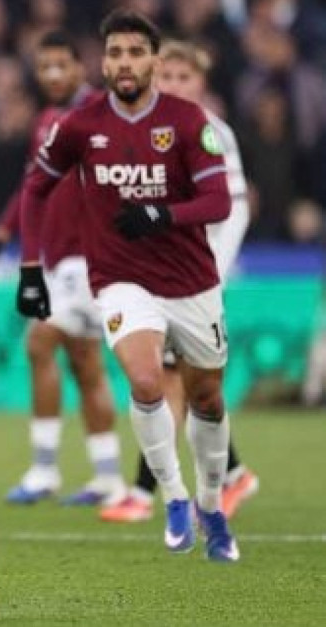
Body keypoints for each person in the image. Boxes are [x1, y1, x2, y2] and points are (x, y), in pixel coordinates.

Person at [16, 10, 240, 562]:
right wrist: (28, 267)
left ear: (154, 62)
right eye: (115, 53)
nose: (124, 63)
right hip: (120, 279)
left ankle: (212, 502)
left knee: (207, 395)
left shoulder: (189, 121)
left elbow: (219, 201)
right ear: (105, 61)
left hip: (191, 282)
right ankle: (175, 498)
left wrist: (163, 215)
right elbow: (36, 188)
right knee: (144, 381)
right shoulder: (80, 125)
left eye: (135, 53)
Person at [101, 40, 260, 524]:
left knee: (174, 379)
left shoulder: (212, 131)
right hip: (156, 274)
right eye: (165, 76)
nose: (172, 85)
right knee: (176, 379)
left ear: (202, 84)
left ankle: (145, 492)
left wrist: (214, 268)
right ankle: (229, 476)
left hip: (195, 278)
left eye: (183, 78)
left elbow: (235, 206)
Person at [0, 31, 126, 507]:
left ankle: (45, 470)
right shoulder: (47, 119)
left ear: (80, 68)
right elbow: (34, 185)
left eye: (62, 65)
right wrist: (4, 231)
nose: (53, 75)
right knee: (85, 364)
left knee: (41, 344)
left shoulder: (101, 116)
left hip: (92, 257)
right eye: (45, 67)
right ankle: (107, 477)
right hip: (59, 259)